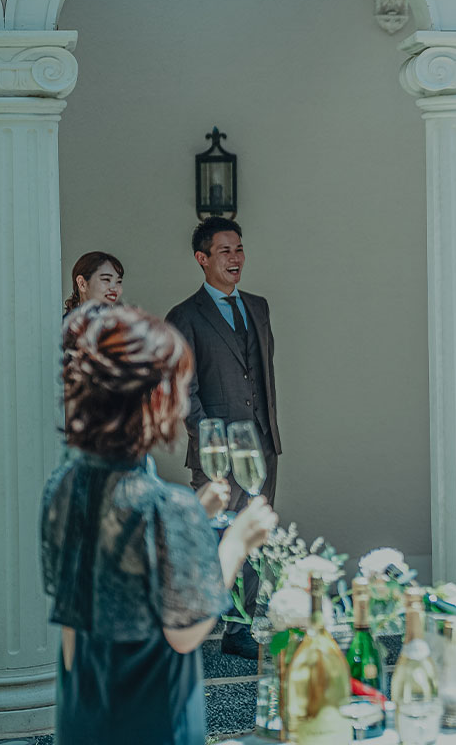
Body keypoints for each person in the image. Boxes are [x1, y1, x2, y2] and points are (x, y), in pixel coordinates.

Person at [42, 304, 276, 745]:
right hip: (150, 716)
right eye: (181, 386)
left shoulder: (65, 484)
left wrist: (193, 516)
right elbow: (185, 633)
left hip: (82, 710)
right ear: (156, 399)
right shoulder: (165, 504)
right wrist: (236, 543)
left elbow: (97, 590)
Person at [165, 217, 281, 658]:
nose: (235, 259)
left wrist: (268, 434)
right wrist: (210, 442)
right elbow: (183, 389)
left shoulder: (259, 307)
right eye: (224, 251)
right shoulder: (184, 316)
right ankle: (192, 623)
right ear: (202, 258)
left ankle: (240, 628)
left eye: (239, 249)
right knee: (214, 537)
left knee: (253, 537)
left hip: (262, 444)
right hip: (216, 452)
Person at [63, 251, 124, 316]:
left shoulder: (122, 319)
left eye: (119, 281)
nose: (115, 288)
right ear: (82, 283)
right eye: (106, 279)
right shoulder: (66, 321)